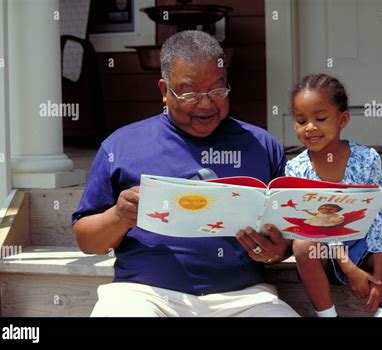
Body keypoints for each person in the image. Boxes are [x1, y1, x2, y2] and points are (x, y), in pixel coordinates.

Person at [72, 30, 299, 317]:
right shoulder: (121, 146)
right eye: (190, 92)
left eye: (217, 91)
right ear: (164, 91)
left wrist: (278, 250)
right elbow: (87, 241)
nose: (206, 104)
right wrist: (118, 217)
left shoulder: (261, 146)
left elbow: (288, 234)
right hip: (145, 295)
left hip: (244, 298)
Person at [286, 73, 382, 317]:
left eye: (320, 118)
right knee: (304, 245)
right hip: (325, 255)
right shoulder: (296, 168)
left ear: (343, 119)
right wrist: (349, 268)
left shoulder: (367, 158)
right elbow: (318, 227)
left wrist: (380, 278)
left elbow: (379, 217)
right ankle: (328, 316)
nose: (310, 127)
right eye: (301, 120)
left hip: (365, 249)